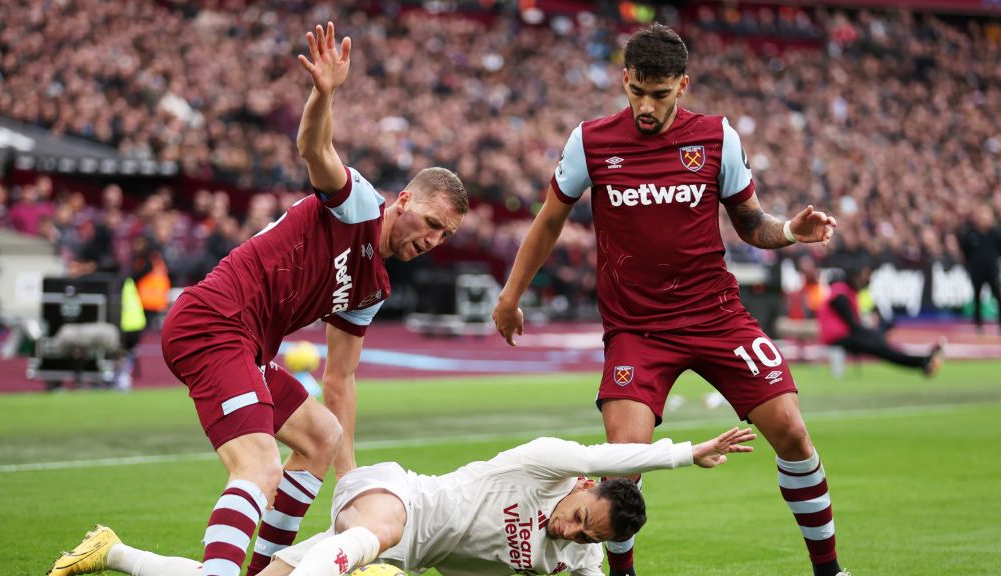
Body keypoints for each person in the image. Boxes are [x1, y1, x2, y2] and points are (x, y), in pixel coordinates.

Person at [55, 23, 467, 576]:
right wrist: (323, 95)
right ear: (405, 199)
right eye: (433, 223)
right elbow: (313, 148)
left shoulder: (374, 287)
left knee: (321, 435)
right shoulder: (360, 206)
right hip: (214, 321)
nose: (433, 240)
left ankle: (262, 572)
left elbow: (341, 383)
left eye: (445, 236)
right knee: (259, 465)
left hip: (245, 345)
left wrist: (350, 486)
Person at [492, 23, 845, 576]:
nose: (647, 108)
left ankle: (829, 570)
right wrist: (511, 294)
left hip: (717, 316)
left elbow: (751, 224)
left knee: (793, 432)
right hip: (638, 330)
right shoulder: (591, 141)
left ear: (684, 85)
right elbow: (549, 221)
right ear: (625, 79)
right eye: (637, 93)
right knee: (621, 465)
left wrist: (792, 232)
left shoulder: (716, 137)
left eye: (660, 95)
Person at [47, 428, 756, 576]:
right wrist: (683, 454)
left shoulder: (573, 564)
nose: (565, 530)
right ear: (579, 490)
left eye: (580, 536)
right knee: (383, 539)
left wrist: (574, 553)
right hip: (397, 500)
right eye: (577, 516)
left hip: (387, 551)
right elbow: (609, 456)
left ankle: (113, 550)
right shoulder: (547, 467)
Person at [818, 263, 944, 375]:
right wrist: (873, 334)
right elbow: (852, 324)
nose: (861, 281)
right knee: (883, 349)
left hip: (843, 335)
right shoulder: (840, 293)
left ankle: (923, 361)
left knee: (884, 347)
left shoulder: (843, 291)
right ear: (852, 277)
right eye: (859, 277)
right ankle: (923, 361)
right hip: (839, 337)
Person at [957, 207, 1001, 335]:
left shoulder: (995, 232)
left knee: (998, 296)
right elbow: (965, 251)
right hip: (976, 271)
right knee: (977, 298)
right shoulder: (971, 233)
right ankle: (978, 324)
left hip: (992, 271)